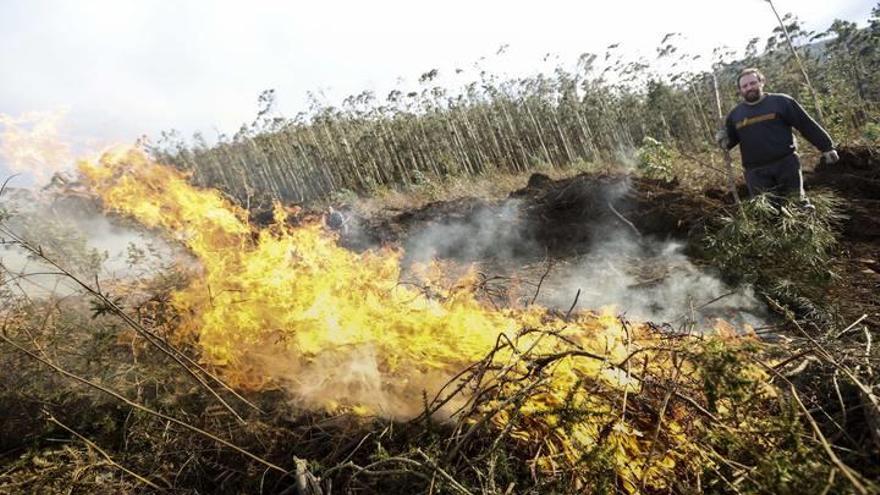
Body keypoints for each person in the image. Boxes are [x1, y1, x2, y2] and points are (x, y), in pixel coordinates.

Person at [716, 68, 839, 202]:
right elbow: (730, 142)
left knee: (797, 204)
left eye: (752, 83)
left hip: (786, 165)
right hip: (756, 173)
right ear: (740, 90)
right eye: (744, 86)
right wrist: (723, 139)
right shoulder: (735, 115)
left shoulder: (781, 102)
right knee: (768, 214)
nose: (749, 88)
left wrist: (826, 147)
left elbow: (806, 125)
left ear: (761, 82)